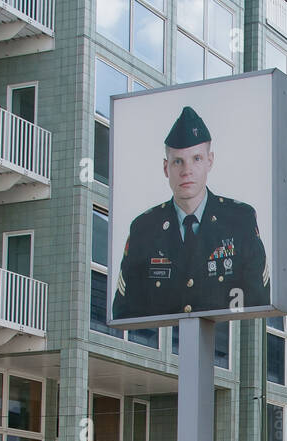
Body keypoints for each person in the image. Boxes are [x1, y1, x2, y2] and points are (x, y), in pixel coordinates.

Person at [111, 106, 269, 321]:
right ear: (166, 167)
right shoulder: (144, 228)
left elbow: (258, 301)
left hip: (221, 346)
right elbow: (125, 312)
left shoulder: (240, 220)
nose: (187, 170)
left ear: (209, 161)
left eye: (196, 159)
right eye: (178, 161)